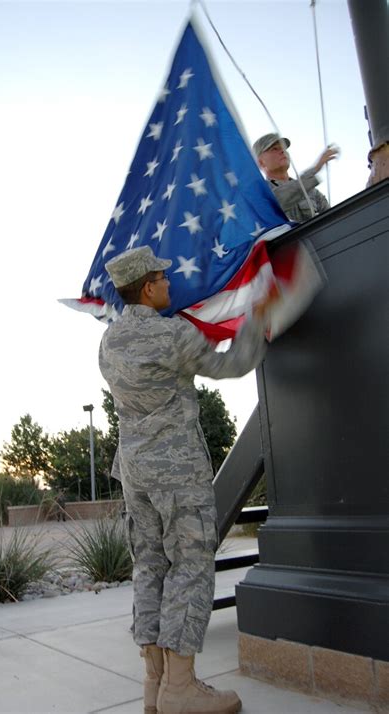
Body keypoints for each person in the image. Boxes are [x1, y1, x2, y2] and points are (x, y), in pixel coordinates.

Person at [99, 245, 271, 714]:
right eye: (164, 278)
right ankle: (182, 688)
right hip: (176, 471)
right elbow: (232, 365)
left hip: (134, 472)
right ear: (149, 287)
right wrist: (257, 315)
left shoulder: (109, 342)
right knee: (191, 567)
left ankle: (154, 686)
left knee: (150, 568)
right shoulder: (171, 335)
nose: (171, 284)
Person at [252, 132, 339, 223]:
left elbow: (333, 221)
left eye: (283, 148)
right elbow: (275, 201)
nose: (282, 151)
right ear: (261, 162)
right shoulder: (261, 192)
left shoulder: (312, 191)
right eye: (274, 149)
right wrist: (315, 169)